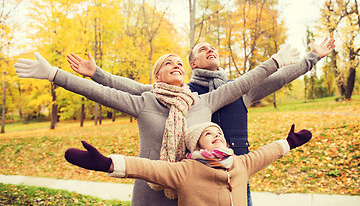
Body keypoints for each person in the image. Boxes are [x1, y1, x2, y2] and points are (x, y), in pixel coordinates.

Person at [14, 47, 298, 206]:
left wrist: (275, 62)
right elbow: (97, 93)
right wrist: (53, 73)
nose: (176, 65)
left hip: (196, 195)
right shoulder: (145, 102)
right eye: (168, 63)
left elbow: (244, 82)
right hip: (151, 192)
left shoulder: (203, 102)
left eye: (179, 63)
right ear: (157, 75)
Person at [67, 38, 335, 205]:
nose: (211, 50)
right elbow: (135, 88)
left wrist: (313, 58)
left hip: (235, 175)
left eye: (213, 48)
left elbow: (280, 77)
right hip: (191, 181)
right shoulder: (184, 95)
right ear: (192, 63)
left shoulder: (240, 89)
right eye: (203, 49)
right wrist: (97, 74)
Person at [64, 122, 312, 206]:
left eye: (219, 132)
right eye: (209, 134)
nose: (217, 135)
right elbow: (147, 168)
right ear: (197, 147)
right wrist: (105, 163)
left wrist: (289, 142)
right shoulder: (186, 170)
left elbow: (267, 153)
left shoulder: (240, 164)